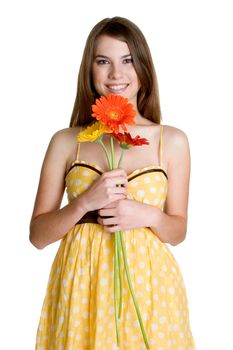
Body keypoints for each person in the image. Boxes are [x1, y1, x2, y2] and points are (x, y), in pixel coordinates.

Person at [30, 16, 195, 350]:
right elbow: (37, 236)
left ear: (143, 68)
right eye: (103, 61)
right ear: (89, 71)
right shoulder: (66, 141)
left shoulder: (171, 141)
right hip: (82, 285)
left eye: (128, 61)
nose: (116, 75)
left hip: (147, 287)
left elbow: (177, 232)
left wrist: (148, 216)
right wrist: (83, 204)